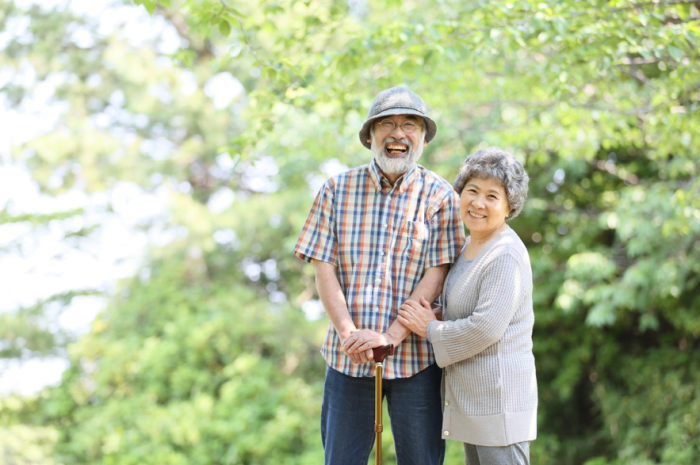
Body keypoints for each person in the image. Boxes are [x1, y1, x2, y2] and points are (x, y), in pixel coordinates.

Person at [294, 86, 465, 465]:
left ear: (422, 137)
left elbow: (437, 275)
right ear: (370, 136)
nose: (398, 133)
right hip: (348, 360)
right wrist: (350, 336)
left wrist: (390, 338)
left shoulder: (441, 197)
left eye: (409, 124)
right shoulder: (335, 190)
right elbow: (324, 268)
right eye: (386, 124)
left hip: (416, 359)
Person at [398, 146, 537, 465]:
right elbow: (468, 307)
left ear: (509, 205)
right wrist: (438, 314)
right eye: (472, 190)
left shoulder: (504, 254)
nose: (478, 202)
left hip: (500, 402)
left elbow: (485, 328)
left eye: (492, 196)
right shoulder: (470, 245)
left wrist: (429, 328)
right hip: (476, 401)